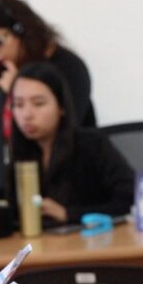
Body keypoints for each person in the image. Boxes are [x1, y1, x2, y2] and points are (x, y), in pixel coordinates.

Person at [9, 62, 133, 228]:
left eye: (38, 104)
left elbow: (131, 198)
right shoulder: (16, 155)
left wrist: (68, 214)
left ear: (61, 107)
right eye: (18, 105)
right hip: (39, 248)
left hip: (94, 243)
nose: (27, 114)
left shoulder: (92, 144)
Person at [0, 0, 97, 141]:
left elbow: (61, 133)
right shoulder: (4, 70)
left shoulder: (69, 67)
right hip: (19, 161)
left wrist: (18, 91)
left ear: (20, 30)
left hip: (68, 160)